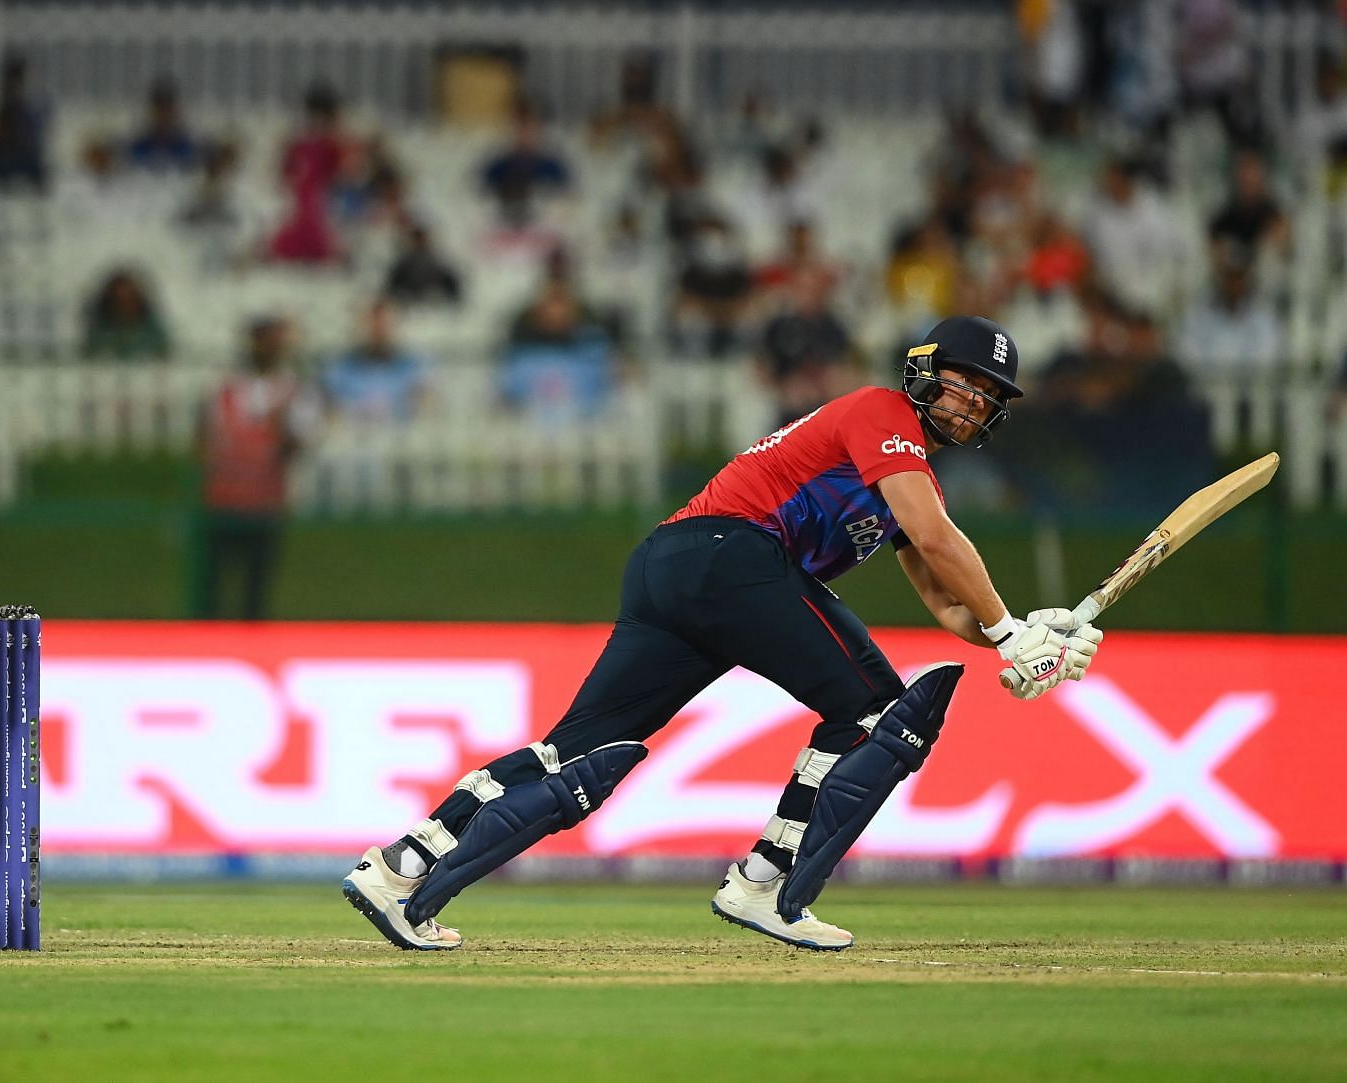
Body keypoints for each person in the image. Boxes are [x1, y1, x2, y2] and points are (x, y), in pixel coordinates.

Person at [340, 316, 1105, 952]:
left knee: (575, 752)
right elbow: (938, 540)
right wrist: (1008, 633)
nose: (971, 402)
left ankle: (402, 868)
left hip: (677, 567)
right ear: (924, 373)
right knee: (877, 712)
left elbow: (945, 604)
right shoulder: (883, 415)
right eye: (964, 382)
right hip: (730, 554)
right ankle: (764, 886)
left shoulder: (908, 479)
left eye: (988, 395)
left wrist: (1036, 628)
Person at [196, 316, 317, 621]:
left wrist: (281, 435)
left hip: (265, 498)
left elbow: (302, 440)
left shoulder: (292, 390)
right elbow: (205, 436)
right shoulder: (226, 388)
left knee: (256, 586)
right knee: (212, 582)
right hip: (224, 496)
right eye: (263, 340)